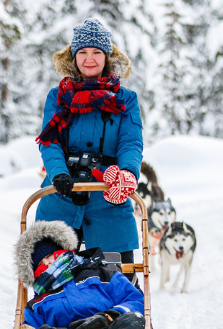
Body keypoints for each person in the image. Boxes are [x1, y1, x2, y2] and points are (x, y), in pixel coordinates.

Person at [35, 18, 143, 274]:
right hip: (61, 193)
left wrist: (127, 173)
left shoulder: (126, 99)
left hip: (109, 194)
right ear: (73, 57)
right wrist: (58, 174)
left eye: (96, 52)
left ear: (107, 56)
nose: (89, 59)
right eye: (82, 52)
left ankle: (114, 313)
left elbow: (131, 141)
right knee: (52, 277)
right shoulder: (58, 97)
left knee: (117, 278)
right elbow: (49, 142)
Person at [14, 220, 144, 329]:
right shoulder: (36, 305)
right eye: (40, 264)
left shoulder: (100, 274)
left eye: (49, 256)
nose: (48, 264)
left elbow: (135, 299)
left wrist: (110, 315)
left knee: (134, 320)